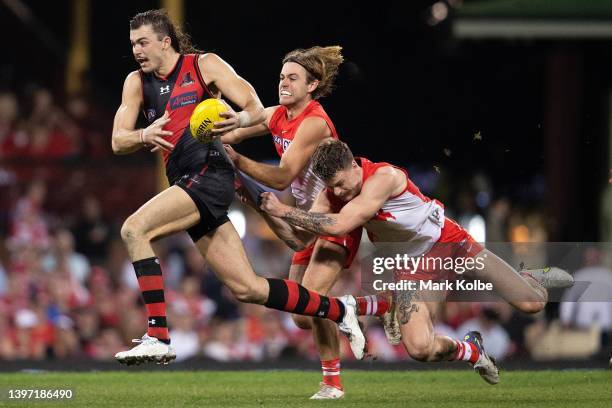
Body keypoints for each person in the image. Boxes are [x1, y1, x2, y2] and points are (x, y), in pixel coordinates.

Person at [111, 9, 365, 366]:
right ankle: (339, 309)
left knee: (134, 229)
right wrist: (142, 134)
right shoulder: (136, 82)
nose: (137, 49)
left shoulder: (204, 66)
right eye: (133, 43)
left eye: (143, 42)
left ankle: (158, 335)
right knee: (247, 288)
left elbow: (256, 108)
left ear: (165, 42)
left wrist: (238, 120)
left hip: (209, 173)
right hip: (184, 179)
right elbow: (117, 141)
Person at [260, 139, 575, 384]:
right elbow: (302, 236)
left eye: (342, 183)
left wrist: (283, 210)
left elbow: (341, 225)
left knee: (533, 304)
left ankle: (531, 278)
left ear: (353, 164)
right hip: (411, 268)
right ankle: (471, 350)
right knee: (420, 349)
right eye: (333, 187)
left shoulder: (383, 177)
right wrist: (262, 206)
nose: (339, 191)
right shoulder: (333, 193)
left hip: (448, 242)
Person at [221, 46, 393, 399]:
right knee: (302, 314)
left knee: (314, 299)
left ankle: (333, 383)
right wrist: (207, 132)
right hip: (304, 219)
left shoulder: (314, 122)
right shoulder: (277, 115)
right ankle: (381, 305)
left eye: (292, 78)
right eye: (282, 77)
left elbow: (283, 177)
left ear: (312, 85)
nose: (283, 83)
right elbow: (234, 130)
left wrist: (237, 161)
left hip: (333, 213)